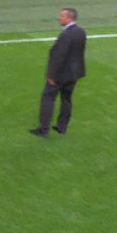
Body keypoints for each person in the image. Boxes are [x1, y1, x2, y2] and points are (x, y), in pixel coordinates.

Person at [31, 8, 87, 138]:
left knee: (48, 98)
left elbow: (58, 56)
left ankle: (44, 129)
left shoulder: (66, 35)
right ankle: (62, 126)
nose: (59, 18)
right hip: (74, 73)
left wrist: (51, 75)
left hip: (61, 74)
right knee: (66, 99)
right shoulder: (81, 32)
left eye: (62, 16)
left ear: (70, 18)